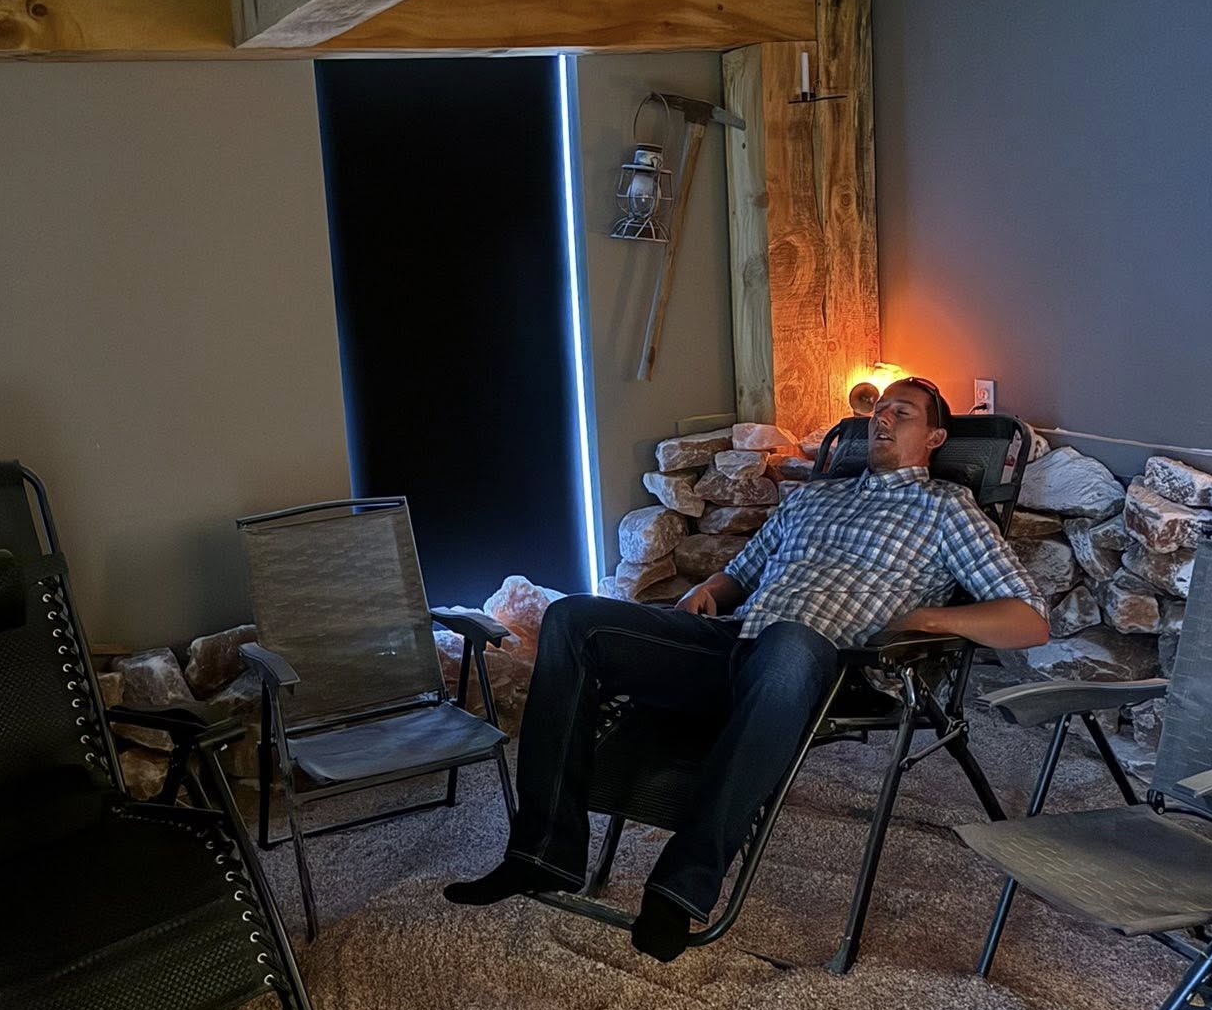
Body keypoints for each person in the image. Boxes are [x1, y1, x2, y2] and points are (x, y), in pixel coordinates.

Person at [444, 378, 1050, 961]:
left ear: (935, 439)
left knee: (790, 642)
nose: (883, 418)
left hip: (835, 670)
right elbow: (741, 573)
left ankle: (680, 888)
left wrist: (933, 619)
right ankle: (542, 852)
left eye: (903, 412)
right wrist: (708, 589)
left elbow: (1029, 618)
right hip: (733, 645)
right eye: (880, 409)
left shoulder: (946, 508)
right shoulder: (813, 497)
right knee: (574, 619)